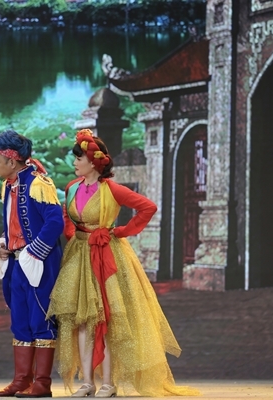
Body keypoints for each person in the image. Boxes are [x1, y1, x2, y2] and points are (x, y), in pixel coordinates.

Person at [47, 129, 200, 397]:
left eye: (79, 157)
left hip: (106, 255)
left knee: (104, 319)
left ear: (94, 161)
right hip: (79, 255)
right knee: (80, 320)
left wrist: (120, 231)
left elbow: (147, 207)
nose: (75, 162)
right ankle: (87, 382)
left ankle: (108, 383)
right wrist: (73, 234)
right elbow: (67, 216)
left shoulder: (111, 189)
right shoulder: (72, 187)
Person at [0, 130, 64, 398]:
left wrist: (35, 252)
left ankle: (42, 383)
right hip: (16, 263)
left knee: (41, 318)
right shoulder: (8, 186)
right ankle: (21, 380)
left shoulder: (38, 183)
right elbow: (14, 224)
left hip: (38, 263)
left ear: (11, 161)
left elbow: (55, 222)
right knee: (19, 320)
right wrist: (5, 244)